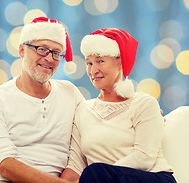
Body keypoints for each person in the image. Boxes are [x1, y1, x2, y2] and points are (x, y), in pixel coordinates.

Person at [0, 17, 85, 183]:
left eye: (56, 53)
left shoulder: (70, 93)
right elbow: (5, 165)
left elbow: (80, 148)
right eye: (42, 49)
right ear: (22, 50)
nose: (50, 58)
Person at [61, 28, 177, 183]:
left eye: (100, 61)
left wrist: (98, 177)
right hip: (98, 178)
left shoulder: (144, 104)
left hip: (153, 177)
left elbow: (144, 158)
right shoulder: (83, 110)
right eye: (89, 63)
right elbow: (75, 166)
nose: (93, 70)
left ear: (120, 62)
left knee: (96, 171)